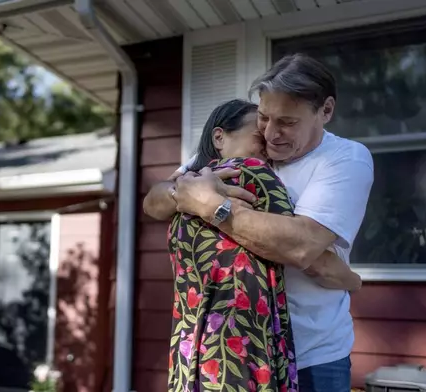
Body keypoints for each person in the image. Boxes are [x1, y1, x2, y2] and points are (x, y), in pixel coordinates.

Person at [145, 54, 374, 392]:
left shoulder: (345, 160)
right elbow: (154, 201)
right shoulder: (240, 148)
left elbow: (300, 245)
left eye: (287, 122)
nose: (270, 134)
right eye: (264, 118)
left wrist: (212, 205)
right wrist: (181, 194)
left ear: (325, 111)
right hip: (236, 348)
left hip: (312, 356)